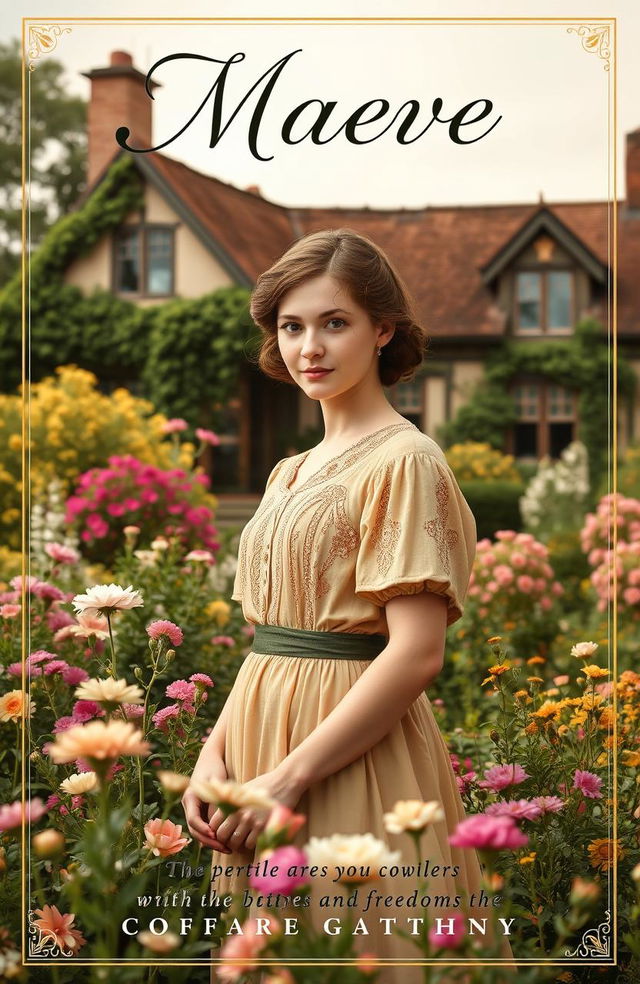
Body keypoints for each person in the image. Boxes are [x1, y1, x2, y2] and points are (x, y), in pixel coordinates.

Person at [182, 229, 516, 982]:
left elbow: (416, 651)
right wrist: (216, 754)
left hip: (350, 755)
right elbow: (270, 643)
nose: (310, 348)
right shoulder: (287, 472)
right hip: (262, 746)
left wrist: (292, 778)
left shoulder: (406, 459)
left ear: (383, 328)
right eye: (292, 327)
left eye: (335, 323)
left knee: (361, 954)